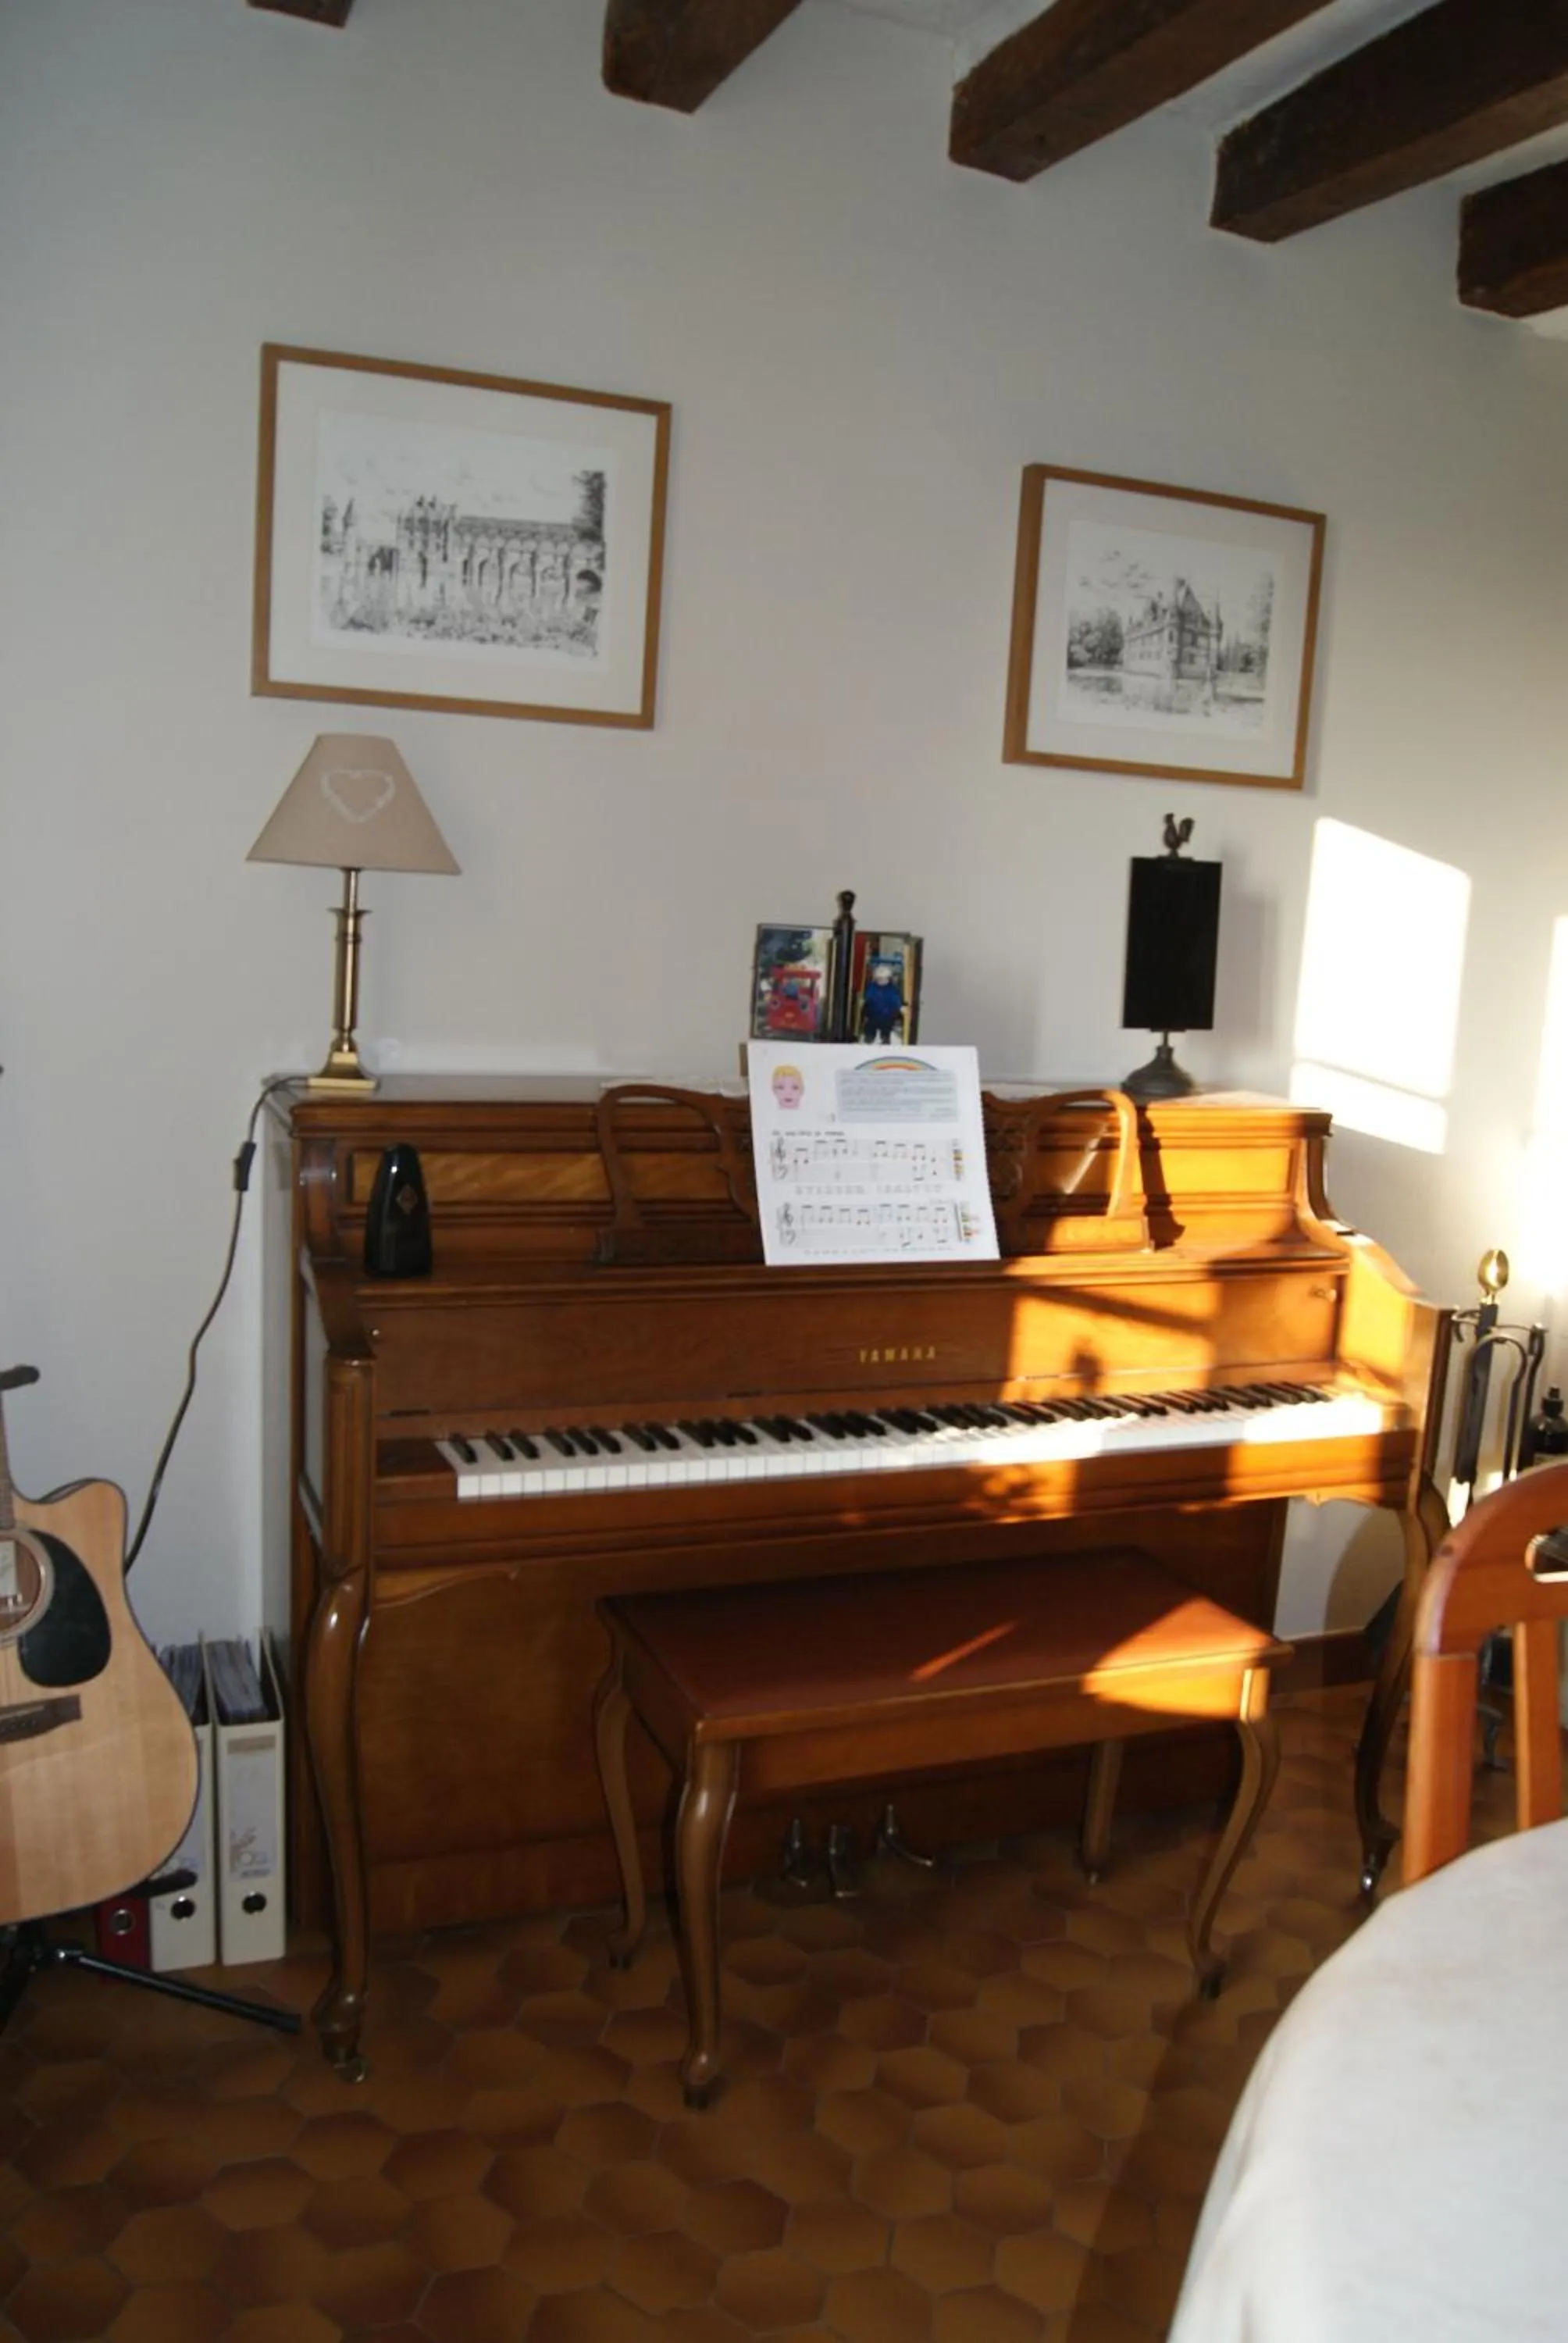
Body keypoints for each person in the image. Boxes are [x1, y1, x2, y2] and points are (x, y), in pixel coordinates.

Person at [860, 958, 905, 1046]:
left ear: (889, 979)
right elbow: (868, 996)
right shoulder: (872, 987)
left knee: (886, 1030)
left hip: (887, 1016)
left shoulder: (892, 989)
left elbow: (896, 999)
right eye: (879, 979)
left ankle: (885, 1040)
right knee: (870, 1029)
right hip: (873, 1015)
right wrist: (864, 1001)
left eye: (884, 979)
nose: (881, 981)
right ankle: (868, 1040)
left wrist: (900, 1007)